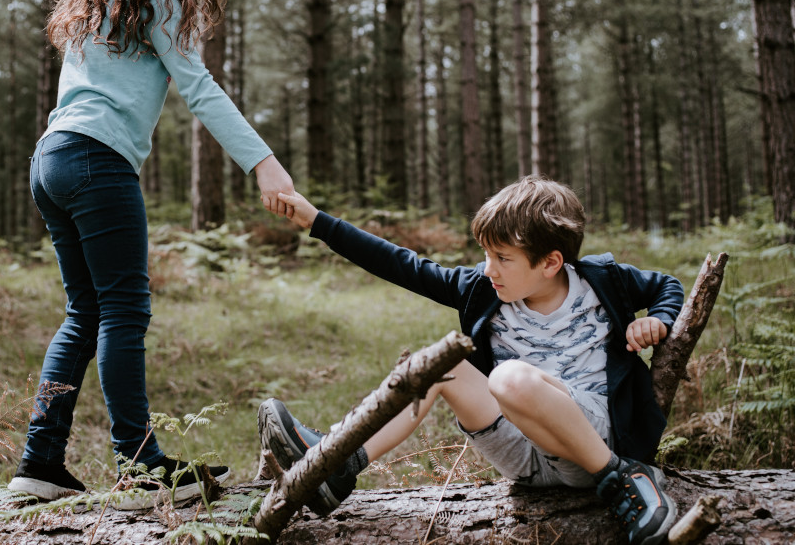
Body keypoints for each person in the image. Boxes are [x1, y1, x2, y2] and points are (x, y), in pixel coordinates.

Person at [7, 0, 294, 510]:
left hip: (51, 159)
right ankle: (139, 468)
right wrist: (265, 165)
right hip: (95, 162)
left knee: (86, 311)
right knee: (123, 311)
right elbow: (200, 87)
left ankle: (39, 462)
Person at [260, 176, 682, 545]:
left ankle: (624, 478)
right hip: (525, 458)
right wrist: (316, 221)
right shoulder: (482, 289)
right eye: (485, 254)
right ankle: (339, 463)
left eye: (503, 258)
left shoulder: (602, 282)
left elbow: (668, 286)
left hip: (592, 442)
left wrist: (657, 321)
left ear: (552, 262)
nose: (489, 269)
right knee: (439, 364)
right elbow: (399, 263)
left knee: (509, 378)